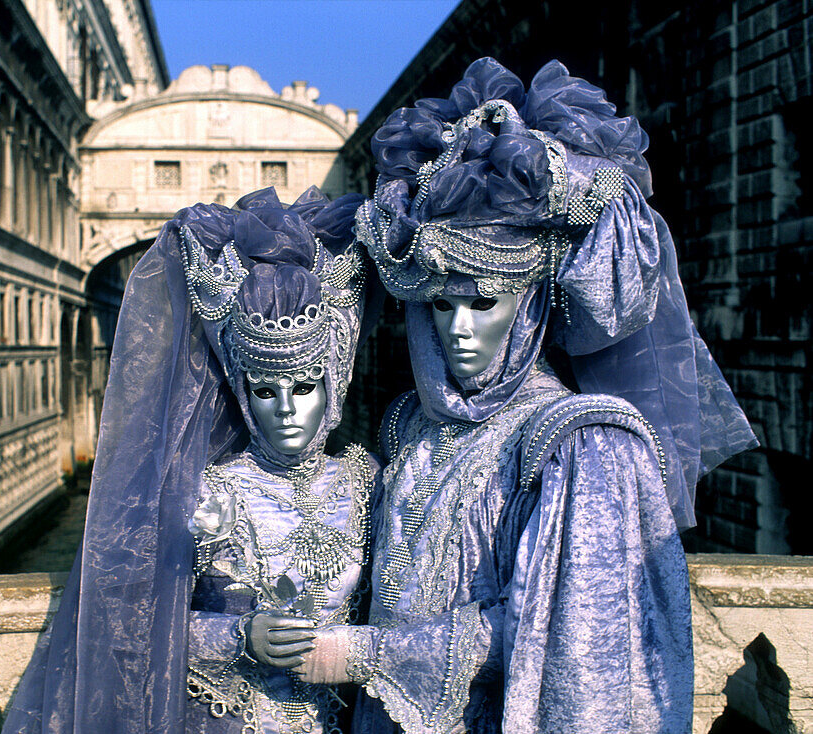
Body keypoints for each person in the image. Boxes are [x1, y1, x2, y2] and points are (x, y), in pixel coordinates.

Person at [290, 58, 757, 733]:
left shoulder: (580, 445)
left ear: (531, 305)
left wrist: (363, 654)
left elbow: (568, 629)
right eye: (439, 307)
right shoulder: (414, 429)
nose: (458, 330)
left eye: (483, 302)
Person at [2, 186, 378, 734]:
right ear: (243, 393)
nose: (287, 411)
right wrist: (240, 636)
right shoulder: (204, 492)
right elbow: (130, 623)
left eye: (304, 387)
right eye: (266, 392)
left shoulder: (366, 484)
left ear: (334, 383)